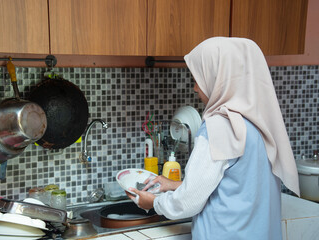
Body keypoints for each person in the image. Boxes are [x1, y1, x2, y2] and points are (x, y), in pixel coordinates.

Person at [127, 37, 300, 240]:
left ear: (219, 78)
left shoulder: (218, 127)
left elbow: (189, 202)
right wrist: (175, 185)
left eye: (199, 78)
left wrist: (154, 203)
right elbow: (239, 187)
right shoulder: (262, 124)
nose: (195, 87)